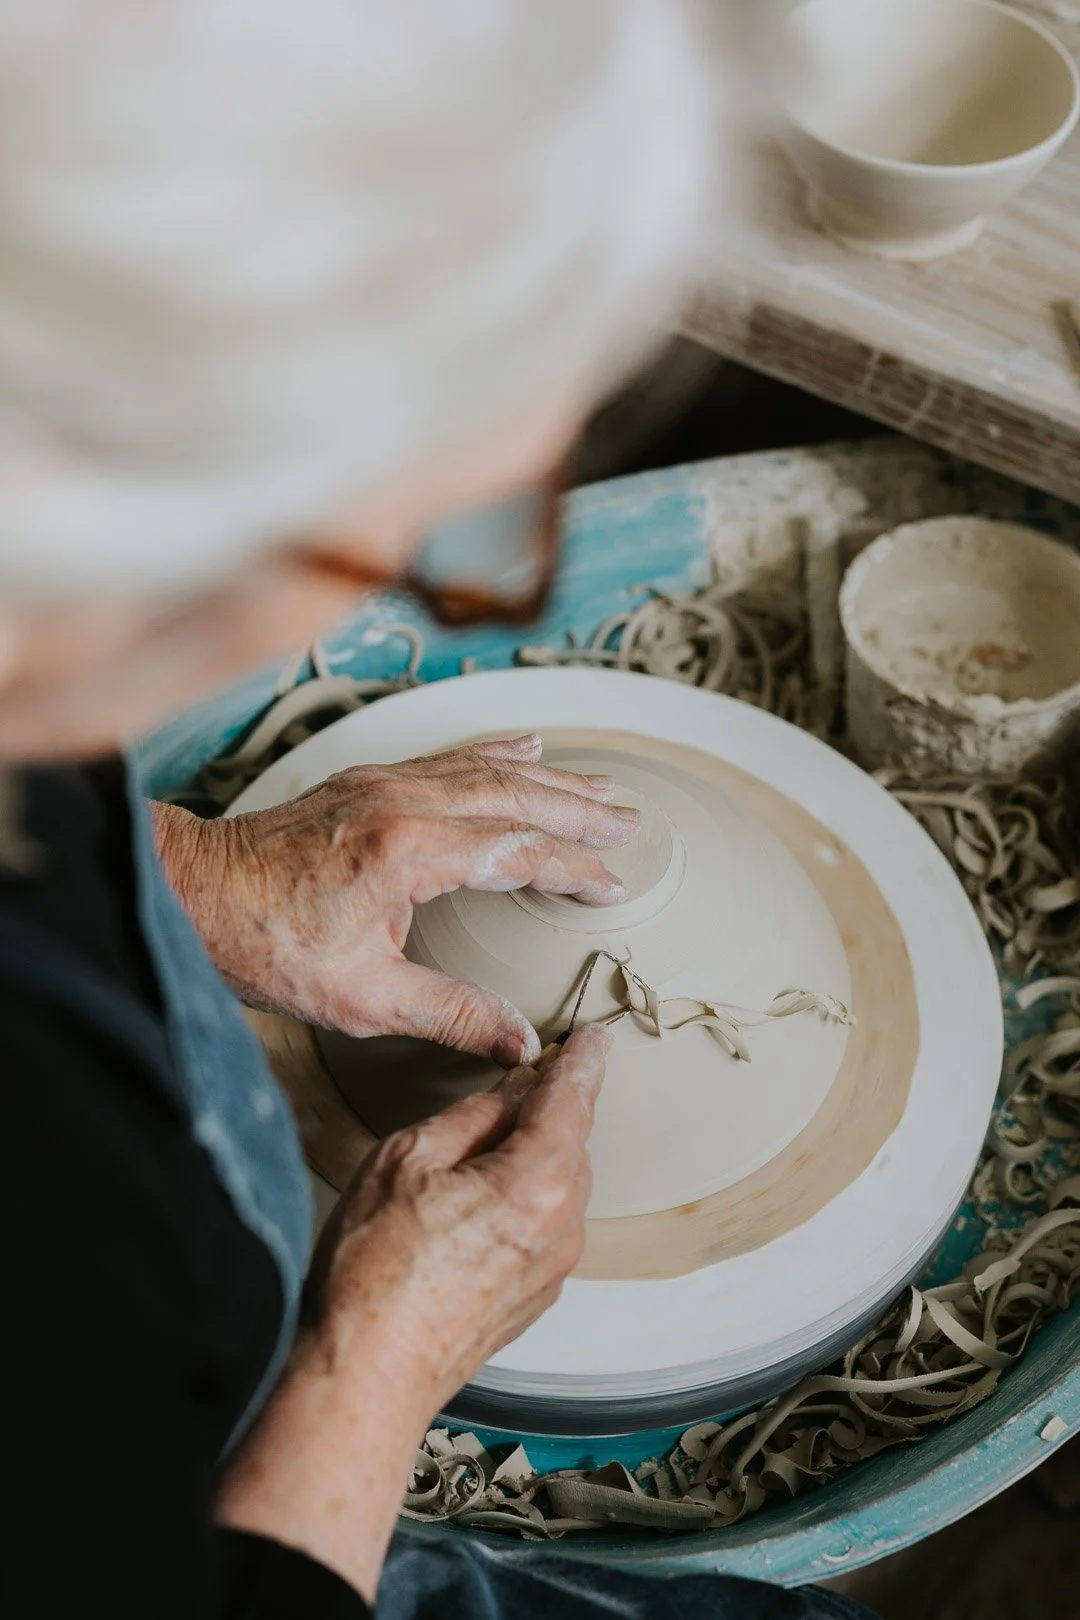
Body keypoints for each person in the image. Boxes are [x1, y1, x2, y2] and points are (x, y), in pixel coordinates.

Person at [0, 4, 877, 1617]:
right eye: (395, 528)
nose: (467, 561)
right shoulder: (50, 1215)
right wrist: (376, 1365)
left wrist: (202, 874)